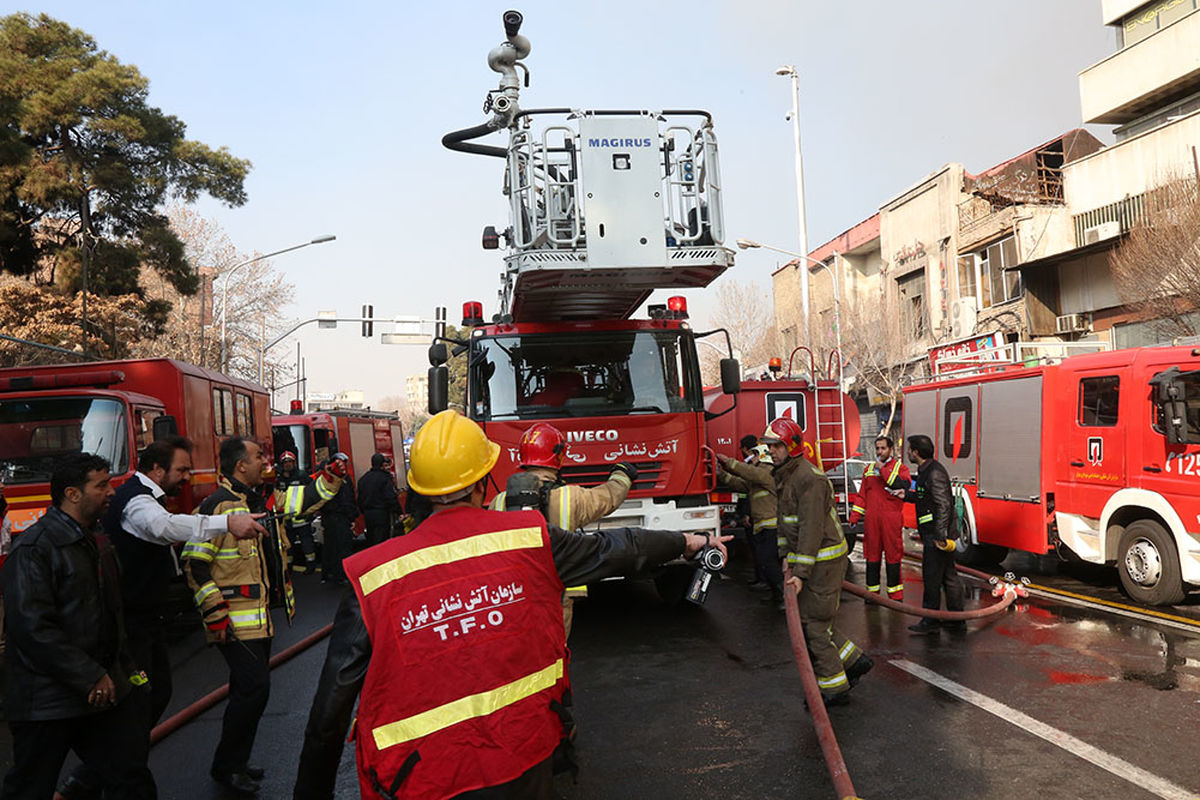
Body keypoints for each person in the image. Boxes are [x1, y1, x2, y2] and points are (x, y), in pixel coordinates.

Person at [292, 410, 730, 800]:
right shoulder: (531, 538)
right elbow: (618, 545)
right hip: (522, 761)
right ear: (483, 482)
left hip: (419, 777)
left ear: (419, 489)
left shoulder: (373, 574)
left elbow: (329, 713)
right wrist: (689, 541)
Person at [55, 437, 267, 800]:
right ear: (157, 470)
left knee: (155, 695)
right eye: (181, 469)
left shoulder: (148, 497)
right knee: (136, 703)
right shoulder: (137, 500)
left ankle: (99, 774)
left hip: (147, 619)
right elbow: (164, 528)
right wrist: (224, 523)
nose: (187, 477)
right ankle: (97, 778)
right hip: (131, 623)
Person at [182, 436, 344, 795]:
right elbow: (194, 565)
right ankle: (228, 768)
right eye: (258, 456)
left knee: (249, 691)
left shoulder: (259, 499)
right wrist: (214, 612)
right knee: (253, 690)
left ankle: (232, 763)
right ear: (241, 465)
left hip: (257, 621)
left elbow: (305, 500)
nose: (265, 461)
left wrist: (331, 477)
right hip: (235, 622)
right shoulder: (218, 506)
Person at [0, 453, 156, 800]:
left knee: (130, 779)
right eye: (101, 485)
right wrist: (89, 675)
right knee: (30, 787)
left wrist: (125, 674)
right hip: (47, 701)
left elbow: (110, 615)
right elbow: (32, 628)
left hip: (100, 694)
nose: (112, 492)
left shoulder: (96, 540)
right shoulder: (34, 549)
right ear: (72, 494)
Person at [762, 417, 872, 707]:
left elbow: (810, 530)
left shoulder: (808, 478)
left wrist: (800, 573)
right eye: (770, 446)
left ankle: (834, 689)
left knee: (813, 625)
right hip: (812, 562)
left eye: (776, 446)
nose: (771, 451)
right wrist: (785, 557)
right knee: (818, 621)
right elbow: (787, 525)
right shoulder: (786, 474)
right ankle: (855, 662)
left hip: (823, 562)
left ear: (792, 447)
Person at [489, 422, 637, 636]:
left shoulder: (499, 501)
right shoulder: (571, 497)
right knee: (555, 648)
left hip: (514, 593)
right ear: (558, 455)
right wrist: (621, 475)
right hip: (559, 591)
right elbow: (609, 498)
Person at [902, 434, 965, 635]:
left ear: (916, 453)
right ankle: (956, 619)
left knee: (932, 576)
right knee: (948, 575)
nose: (908, 453)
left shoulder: (934, 473)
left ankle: (931, 620)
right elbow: (925, 498)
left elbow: (943, 504)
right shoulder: (926, 471)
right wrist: (906, 496)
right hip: (935, 532)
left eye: (909, 449)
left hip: (936, 535)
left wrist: (940, 536)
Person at [717, 444, 783, 608]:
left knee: (769, 561)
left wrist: (729, 462)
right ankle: (776, 594)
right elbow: (740, 484)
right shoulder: (757, 478)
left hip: (772, 528)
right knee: (763, 561)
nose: (750, 459)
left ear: (762, 456)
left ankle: (783, 597)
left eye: (754, 455)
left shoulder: (767, 472)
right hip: (761, 527)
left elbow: (749, 473)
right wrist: (721, 474)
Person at [847, 434, 911, 603]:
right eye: (877, 448)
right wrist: (854, 516)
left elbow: (899, 484)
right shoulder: (868, 470)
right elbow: (862, 496)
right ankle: (872, 595)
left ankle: (895, 596)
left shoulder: (900, 468)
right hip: (872, 520)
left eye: (883, 448)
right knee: (872, 556)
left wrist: (881, 468)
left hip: (891, 519)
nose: (880, 451)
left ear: (891, 449)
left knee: (893, 555)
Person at [275, 452, 318, 573]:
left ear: (294, 463)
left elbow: (311, 493)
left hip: (302, 516)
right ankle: (288, 566)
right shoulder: (279, 479)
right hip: (286, 518)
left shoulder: (302, 476)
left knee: (307, 543)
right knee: (288, 544)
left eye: (289, 462)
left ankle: (311, 564)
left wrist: (310, 511)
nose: (287, 464)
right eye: (285, 462)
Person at [318, 453, 356, 585]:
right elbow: (347, 500)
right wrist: (351, 517)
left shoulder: (328, 478)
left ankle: (328, 573)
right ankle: (341, 575)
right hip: (339, 517)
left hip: (331, 518)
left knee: (330, 546)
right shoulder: (339, 479)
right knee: (342, 547)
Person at [357, 453, 402, 546]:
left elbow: (360, 498)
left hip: (368, 515)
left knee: (371, 540)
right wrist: (398, 512)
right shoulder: (385, 478)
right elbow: (390, 497)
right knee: (382, 540)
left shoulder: (363, 479)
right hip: (381, 514)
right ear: (382, 464)